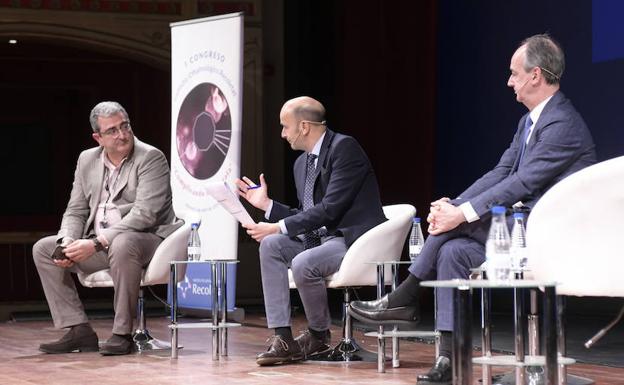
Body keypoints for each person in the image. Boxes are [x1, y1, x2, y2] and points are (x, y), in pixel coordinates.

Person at [349, 34, 597, 384]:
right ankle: (450, 358)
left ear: (535, 75)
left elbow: (522, 183)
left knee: (454, 227)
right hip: (523, 229)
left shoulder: (562, 124)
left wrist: (460, 214)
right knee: (453, 251)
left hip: (551, 232)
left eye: (514, 73)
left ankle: (406, 295)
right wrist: (454, 205)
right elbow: (499, 172)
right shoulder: (529, 121)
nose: (509, 81)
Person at [236, 96, 386, 366]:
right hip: (320, 239)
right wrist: (267, 206)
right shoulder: (300, 164)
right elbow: (306, 215)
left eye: (285, 126)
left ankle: (318, 335)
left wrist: (278, 226)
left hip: (351, 239)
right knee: (271, 245)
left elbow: (330, 209)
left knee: (303, 261)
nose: (282, 134)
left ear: (304, 126)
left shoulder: (344, 148)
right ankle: (283, 339)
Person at [33, 101, 182, 356]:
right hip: (99, 242)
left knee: (123, 243)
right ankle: (78, 330)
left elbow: (145, 214)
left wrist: (97, 242)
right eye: (112, 130)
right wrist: (66, 241)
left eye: (125, 126)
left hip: (147, 240)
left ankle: (122, 333)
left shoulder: (150, 157)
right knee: (45, 249)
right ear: (98, 137)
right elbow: (76, 209)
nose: (122, 135)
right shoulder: (86, 159)